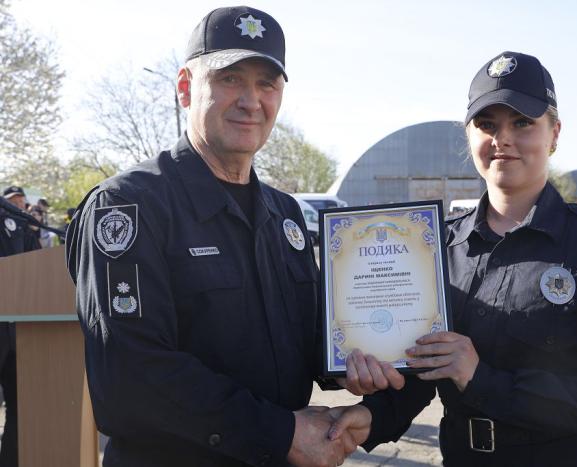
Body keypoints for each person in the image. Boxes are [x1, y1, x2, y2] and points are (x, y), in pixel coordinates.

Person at [65, 6, 369, 466]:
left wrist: (356, 363)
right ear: (186, 88)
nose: (251, 100)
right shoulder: (129, 207)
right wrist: (282, 432)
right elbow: (130, 378)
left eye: (267, 84)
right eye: (230, 79)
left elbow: (303, 340)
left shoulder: (285, 215)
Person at [331, 51, 577, 467]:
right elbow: (423, 369)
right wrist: (371, 417)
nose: (502, 139)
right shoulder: (434, 247)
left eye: (522, 123)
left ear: (554, 134)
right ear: (469, 137)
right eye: (487, 125)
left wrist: (480, 378)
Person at [1, 186, 42, 467]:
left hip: (18, 332)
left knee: (19, 408)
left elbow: (39, 266)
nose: (17, 204)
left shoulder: (19, 222)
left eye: (20, 201)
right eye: (12, 201)